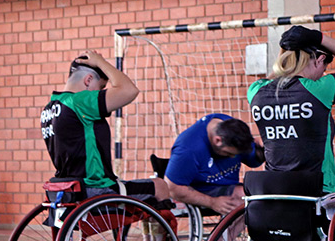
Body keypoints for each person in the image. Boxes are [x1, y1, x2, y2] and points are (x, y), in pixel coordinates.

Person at [247, 25, 335, 200]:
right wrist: (319, 38)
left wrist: (287, 52)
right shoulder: (318, 90)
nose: (322, 73)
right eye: (324, 67)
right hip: (317, 188)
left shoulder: (256, 91)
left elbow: (275, 78)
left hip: (275, 188)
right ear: (319, 60)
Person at [41, 49, 170, 203]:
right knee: (160, 186)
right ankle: (155, 228)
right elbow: (129, 90)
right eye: (101, 87)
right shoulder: (79, 101)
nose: (100, 92)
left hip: (69, 189)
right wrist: (101, 62)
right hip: (94, 189)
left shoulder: (49, 108)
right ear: (88, 80)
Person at [164, 114, 265, 216]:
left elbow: (252, 160)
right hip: (200, 189)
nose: (232, 157)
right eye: (228, 154)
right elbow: (172, 188)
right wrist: (212, 202)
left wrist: (264, 150)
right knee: (240, 199)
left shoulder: (233, 128)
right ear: (217, 140)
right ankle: (224, 232)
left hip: (227, 186)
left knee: (257, 195)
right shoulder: (188, 149)